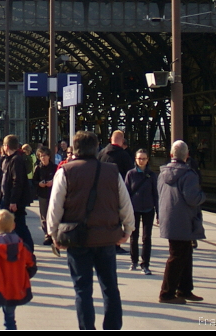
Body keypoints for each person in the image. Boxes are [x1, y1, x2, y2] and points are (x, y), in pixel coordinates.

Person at [47, 131, 135, 330]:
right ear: (96, 148)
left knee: (82, 289)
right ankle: (112, 327)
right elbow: (125, 203)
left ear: (74, 149)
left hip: (77, 239)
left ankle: (87, 328)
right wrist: (128, 230)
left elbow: (55, 206)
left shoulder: (66, 171)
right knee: (110, 287)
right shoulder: (112, 171)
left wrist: (53, 234)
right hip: (106, 239)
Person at [157, 140, 206, 304]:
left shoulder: (162, 174)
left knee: (184, 254)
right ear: (187, 156)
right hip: (184, 220)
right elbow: (193, 199)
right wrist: (202, 197)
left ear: (171, 155)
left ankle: (185, 289)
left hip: (168, 218)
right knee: (177, 256)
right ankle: (167, 293)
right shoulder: (189, 175)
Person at [0, 209, 37, 330]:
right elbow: (32, 265)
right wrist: (23, 276)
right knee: (10, 318)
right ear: (14, 226)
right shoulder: (22, 247)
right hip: (14, 288)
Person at [124, 149, 158, 274]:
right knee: (134, 236)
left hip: (148, 208)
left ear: (147, 159)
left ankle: (145, 264)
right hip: (134, 209)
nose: (141, 161)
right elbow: (126, 194)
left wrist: (159, 213)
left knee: (146, 237)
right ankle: (134, 261)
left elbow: (156, 194)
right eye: (139, 158)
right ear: (135, 159)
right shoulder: (130, 174)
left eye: (144, 158)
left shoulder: (152, 175)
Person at [0, 135, 35, 252]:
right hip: (8, 198)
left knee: (19, 226)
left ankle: (28, 249)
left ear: (6, 146)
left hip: (15, 201)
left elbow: (17, 181)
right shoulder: (10, 159)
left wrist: (14, 200)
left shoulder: (16, 160)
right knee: (16, 226)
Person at [32, 147, 57, 245]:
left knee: (53, 214)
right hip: (42, 194)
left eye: (44, 156)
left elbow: (59, 180)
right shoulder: (38, 168)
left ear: (49, 156)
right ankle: (47, 235)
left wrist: (52, 182)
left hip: (53, 194)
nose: (43, 158)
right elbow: (34, 181)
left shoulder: (54, 167)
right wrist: (39, 183)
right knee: (44, 216)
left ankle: (53, 234)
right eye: (41, 156)